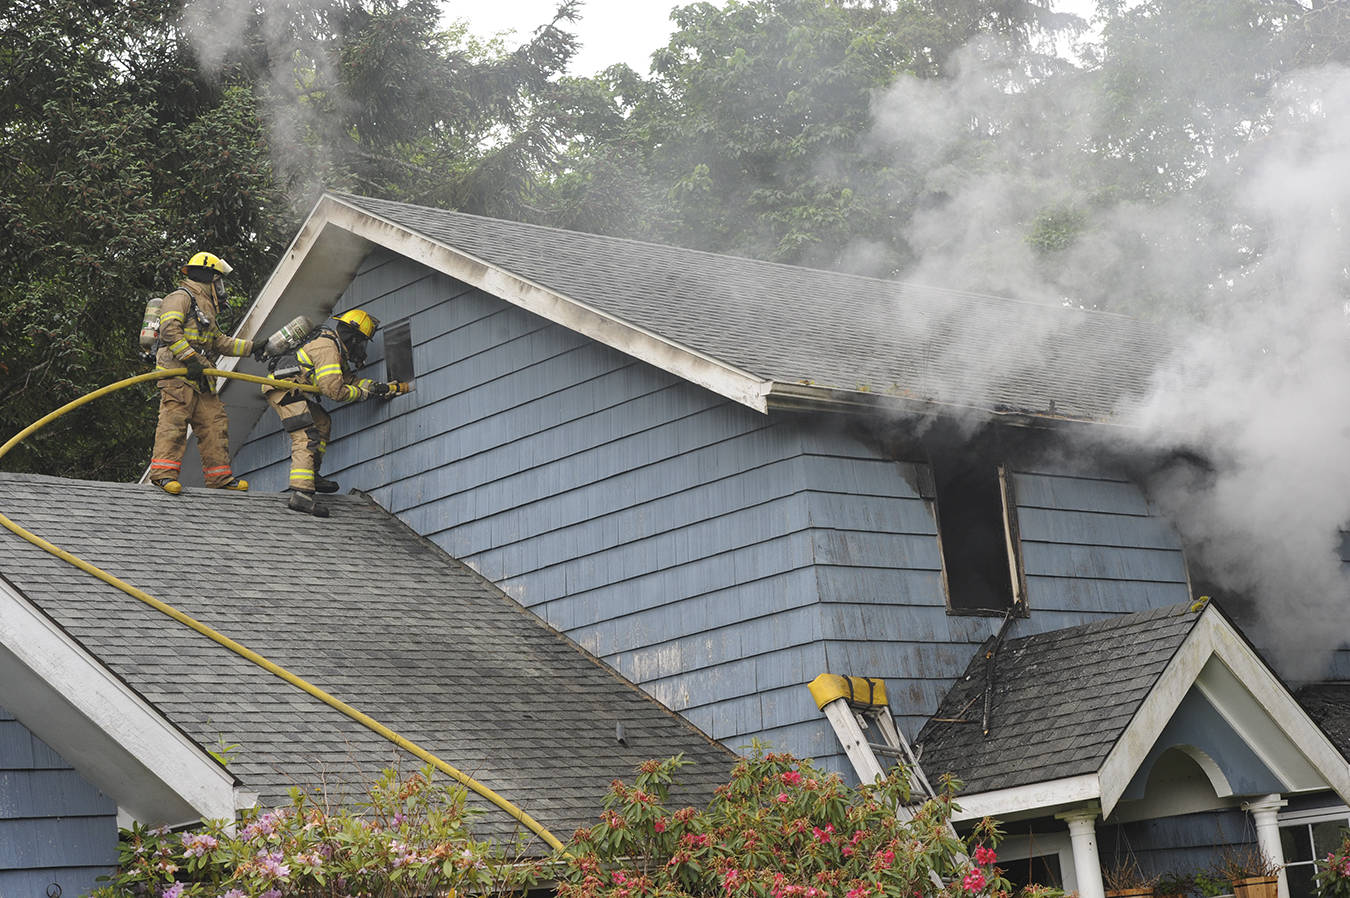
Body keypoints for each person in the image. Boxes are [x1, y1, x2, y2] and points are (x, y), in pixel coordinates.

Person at [262, 308, 402, 517]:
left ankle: (312, 474)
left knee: (322, 423)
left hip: (294, 389)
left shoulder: (336, 350)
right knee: (305, 435)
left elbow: (348, 381)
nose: (362, 348)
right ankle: (301, 494)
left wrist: (377, 388)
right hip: (285, 389)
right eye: (362, 342)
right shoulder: (327, 347)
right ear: (353, 338)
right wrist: (363, 394)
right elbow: (334, 390)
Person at [149, 251, 264, 495]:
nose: (219, 286)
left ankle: (219, 477)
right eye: (217, 279)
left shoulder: (205, 305)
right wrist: (190, 359)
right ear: (207, 276)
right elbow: (170, 331)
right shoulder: (180, 297)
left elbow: (218, 341)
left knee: (215, 424)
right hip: (178, 376)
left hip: (201, 378)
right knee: (174, 424)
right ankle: (162, 475)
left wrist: (253, 347)